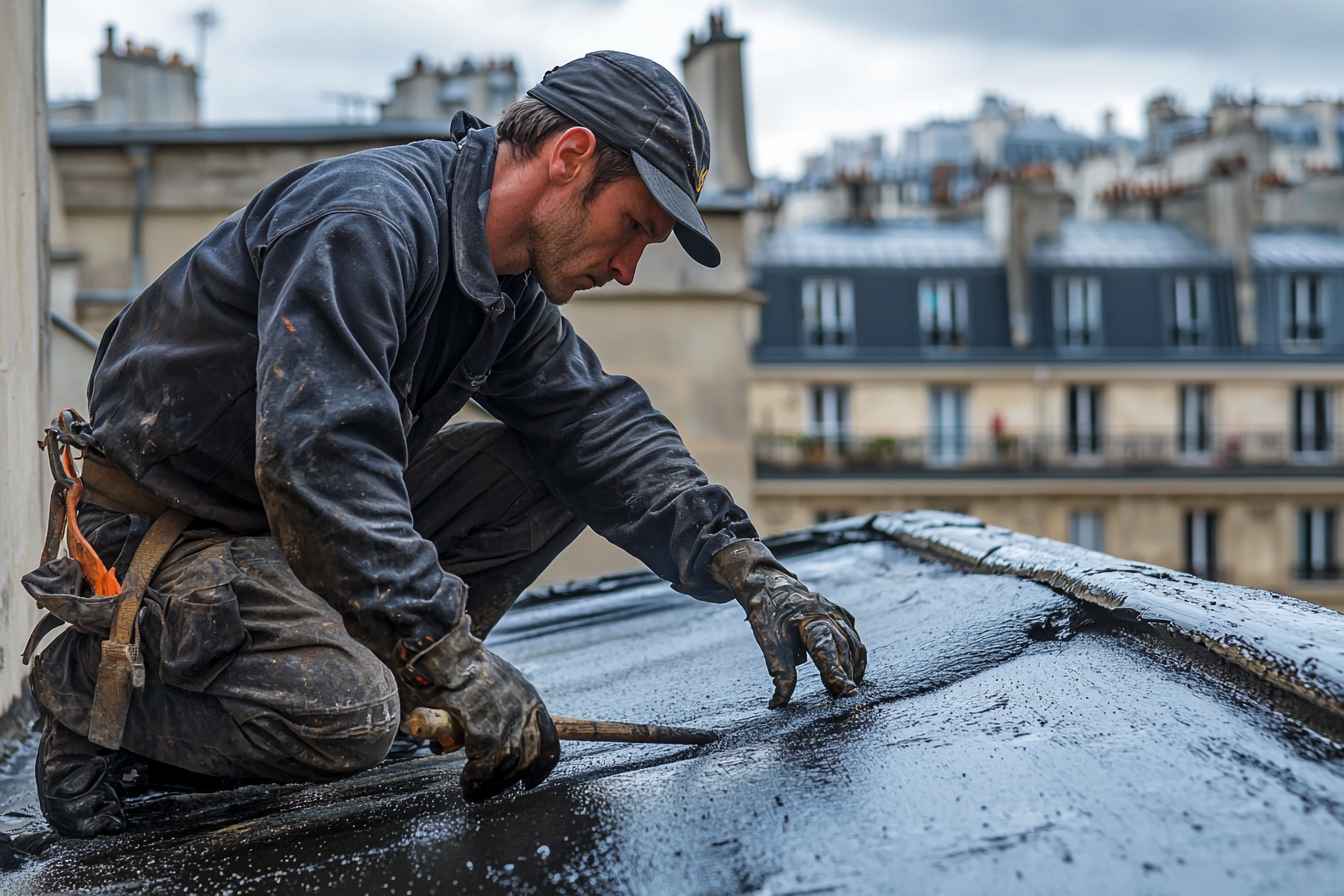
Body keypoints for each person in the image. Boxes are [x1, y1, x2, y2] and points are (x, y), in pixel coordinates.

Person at [22, 51, 867, 838]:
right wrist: (450, 657)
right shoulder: (367, 224)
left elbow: (601, 427)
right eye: (633, 226)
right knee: (347, 716)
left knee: (554, 459)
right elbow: (320, 460)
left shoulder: (500, 290)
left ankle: (380, 688)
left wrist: (756, 574)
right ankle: (96, 704)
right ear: (570, 155)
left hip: (274, 531)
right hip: (168, 536)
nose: (628, 268)